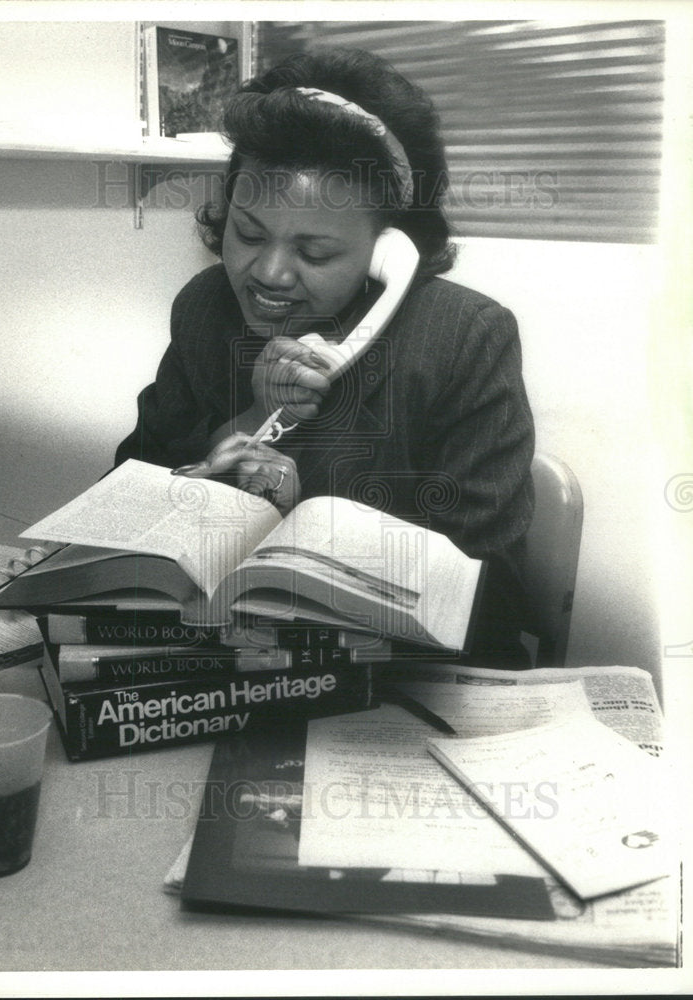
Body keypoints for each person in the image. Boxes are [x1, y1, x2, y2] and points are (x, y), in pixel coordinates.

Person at [115, 48, 535, 665]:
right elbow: (125, 493)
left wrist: (311, 509)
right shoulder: (206, 309)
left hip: (396, 675)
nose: (269, 272)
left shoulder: (464, 339)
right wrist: (238, 428)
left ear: (387, 252)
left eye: (313, 253)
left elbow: (490, 598)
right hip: (221, 656)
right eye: (249, 233)